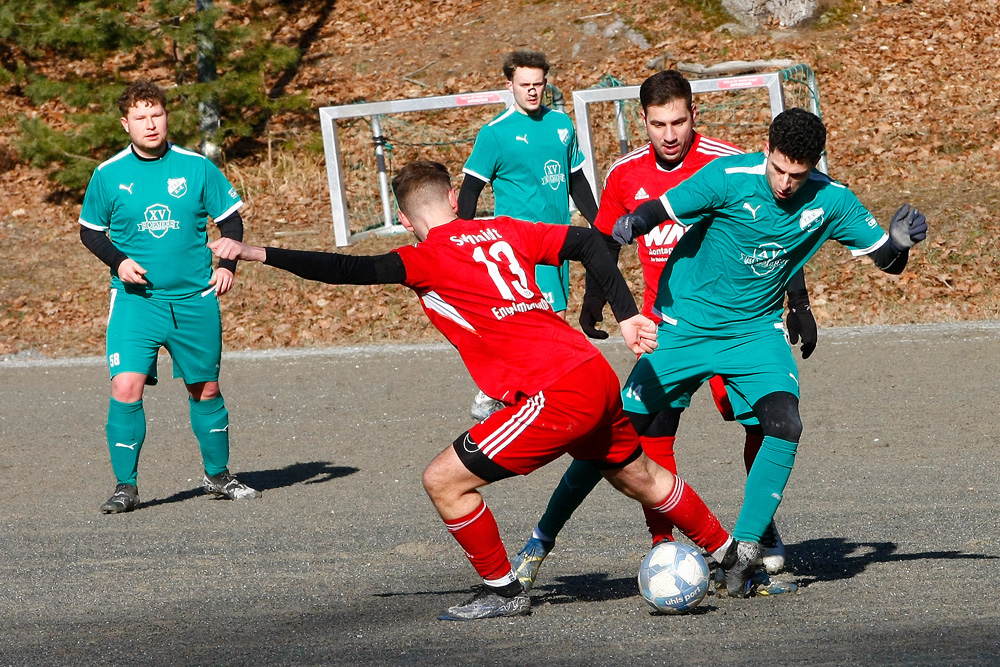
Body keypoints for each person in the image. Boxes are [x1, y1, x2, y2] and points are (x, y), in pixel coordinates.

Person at [209, 160, 752, 620]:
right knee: (641, 475)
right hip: (591, 371)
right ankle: (730, 556)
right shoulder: (505, 228)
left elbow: (349, 268)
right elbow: (589, 239)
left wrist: (260, 252)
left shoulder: (424, 256)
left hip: (553, 392)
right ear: (453, 197)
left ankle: (503, 590)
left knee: (444, 482)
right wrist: (627, 315)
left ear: (404, 220)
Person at [509, 70, 816, 592]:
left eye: (678, 121)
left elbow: (782, 233)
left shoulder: (729, 163)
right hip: (666, 328)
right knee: (624, 437)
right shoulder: (626, 175)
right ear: (643, 123)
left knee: (765, 428)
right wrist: (594, 300)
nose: (669, 135)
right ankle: (571, 542)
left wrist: (798, 301)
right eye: (657, 124)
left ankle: (759, 540)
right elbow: (604, 243)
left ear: (695, 114)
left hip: (740, 325)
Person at [610, 108, 927, 597]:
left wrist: (901, 246)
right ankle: (547, 542)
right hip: (684, 320)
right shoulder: (729, 175)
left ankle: (744, 547)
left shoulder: (832, 200)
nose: (784, 183)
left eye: (797, 175)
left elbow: (887, 259)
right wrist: (631, 223)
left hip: (754, 330)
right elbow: (660, 210)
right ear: (767, 152)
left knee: (783, 423)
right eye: (778, 169)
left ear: (814, 167)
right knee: (617, 430)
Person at [79, 79, 259, 514]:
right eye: (140, 117)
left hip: (195, 299)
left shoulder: (196, 167)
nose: (150, 124)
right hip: (135, 301)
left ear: (166, 117)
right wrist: (119, 261)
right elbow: (90, 231)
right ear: (126, 124)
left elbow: (231, 223)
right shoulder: (108, 174)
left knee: (205, 388)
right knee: (126, 387)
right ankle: (126, 486)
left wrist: (226, 265)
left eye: (156, 114)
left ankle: (218, 475)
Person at [457, 49, 599, 420]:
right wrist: (460, 237)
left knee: (554, 316)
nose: (532, 92)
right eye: (525, 85)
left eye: (538, 85)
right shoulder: (494, 133)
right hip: (516, 245)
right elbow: (471, 189)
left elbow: (578, 180)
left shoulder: (561, 125)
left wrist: (599, 224)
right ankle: (505, 393)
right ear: (510, 85)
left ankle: (510, 391)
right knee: (537, 319)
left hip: (559, 241)